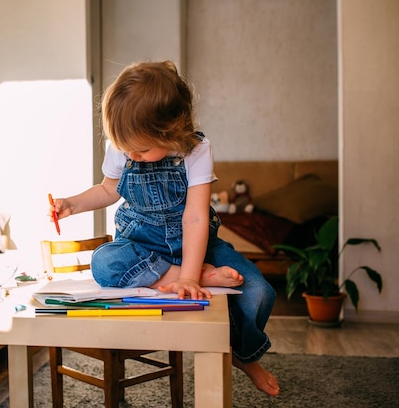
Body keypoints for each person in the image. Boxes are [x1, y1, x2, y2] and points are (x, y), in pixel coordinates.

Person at [48, 60, 280, 396]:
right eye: (126, 149)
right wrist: (72, 204)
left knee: (259, 290)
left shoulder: (196, 150)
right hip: (142, 244)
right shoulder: (123, 147)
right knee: (104, 262)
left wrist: (189, 271)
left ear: (171, 131)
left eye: (141, 150)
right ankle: (198, 276)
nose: (132, 155)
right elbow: (108, 190)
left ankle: (242, 354)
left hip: (197, 243)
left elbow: (196, 217)